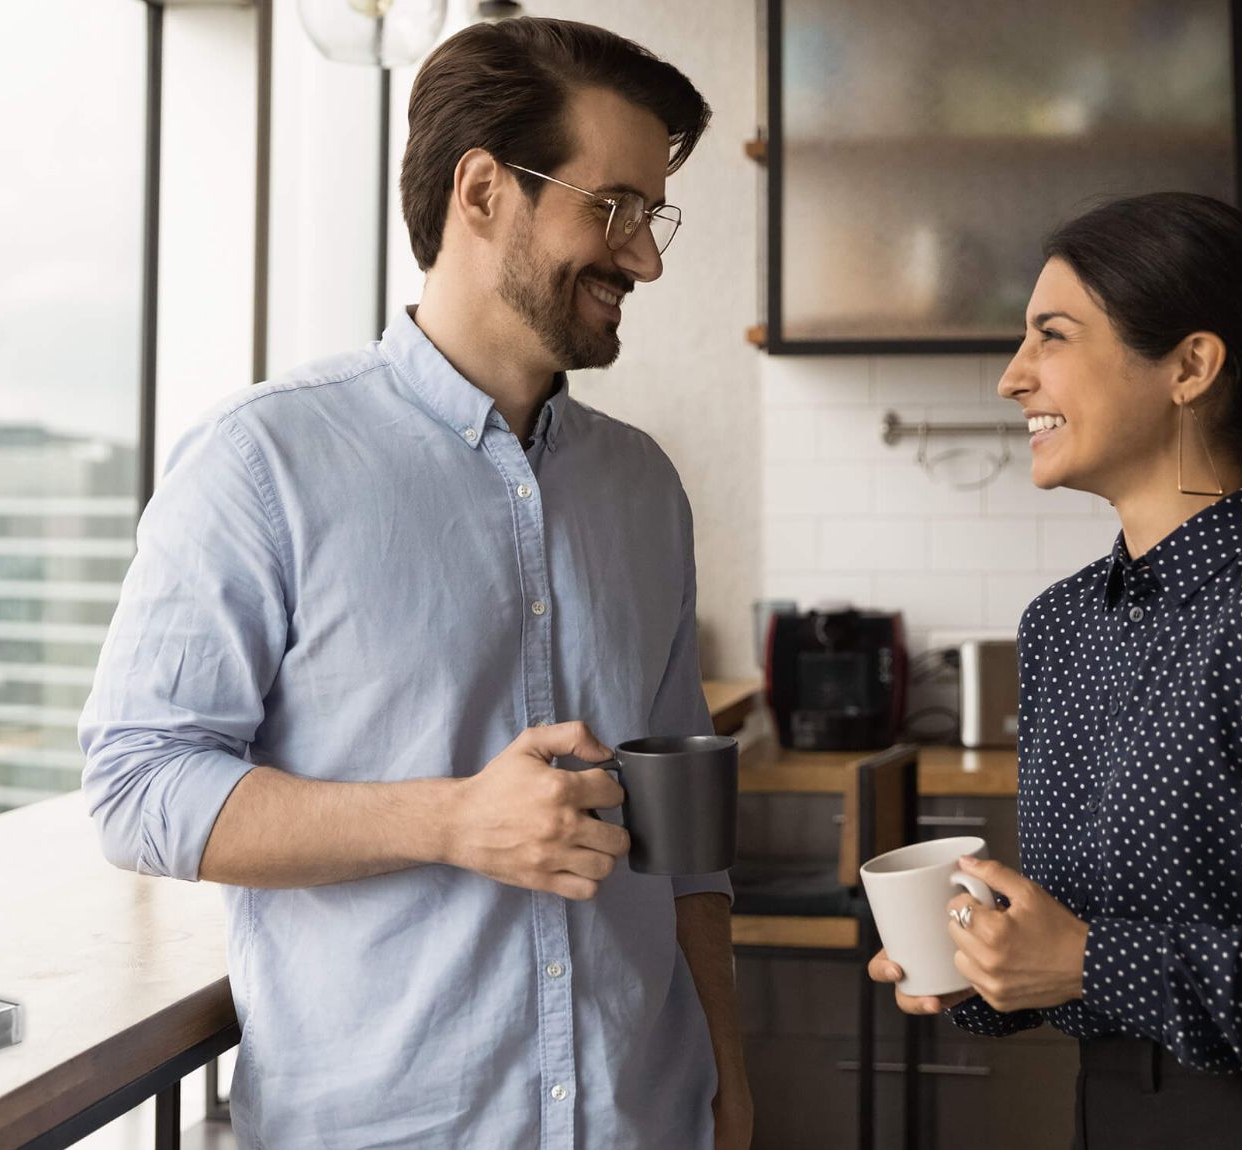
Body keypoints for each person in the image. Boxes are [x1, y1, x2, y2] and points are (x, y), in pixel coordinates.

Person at [80, 16, 750, 1150]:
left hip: (648, 1119)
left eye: (652, 215)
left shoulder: (643, 489)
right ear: (483, 191)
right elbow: (137, 787)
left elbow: (690, 848)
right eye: (615, 208)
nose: (646, 257)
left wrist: (729, 1090)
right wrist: (451, 820)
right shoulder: (263, 460)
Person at [868, 192, 1242, 1147]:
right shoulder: (1064, 626)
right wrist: (985, 967)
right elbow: (1076, 933)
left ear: (1190, 366)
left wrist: (1092, 966)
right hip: (1110, 1108)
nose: (1012, 378)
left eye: (1053, 336)